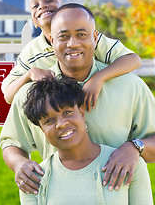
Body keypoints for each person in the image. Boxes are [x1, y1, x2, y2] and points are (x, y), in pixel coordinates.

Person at [0, 3, 155, 197]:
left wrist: (135, 148)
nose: (72, 43)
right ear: (51, 39)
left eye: (81, 34)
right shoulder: (31, 94)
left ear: (95, 37)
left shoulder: (131, 87)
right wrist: (19, 164)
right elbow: (11, 142)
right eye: (63, 36)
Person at [2, 0, 141, 112]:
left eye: (49, 0)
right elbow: (8, 95)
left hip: (100, 104)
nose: (42, 6)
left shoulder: (87, 39)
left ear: (64, 8)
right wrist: (29, 74)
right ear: (34, 22)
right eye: (35, 5)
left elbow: (133, 60)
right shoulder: (31, 52)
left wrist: (98, 78)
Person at [20, 77, 152, 204]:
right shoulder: (32, 179)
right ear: (42, 130)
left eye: (67, 112)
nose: (61, 124)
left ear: (82, 113)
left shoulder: (128, 163)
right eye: (49, 120)